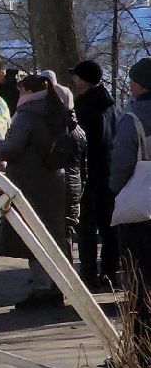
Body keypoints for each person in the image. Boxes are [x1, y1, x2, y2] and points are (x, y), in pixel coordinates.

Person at [4, 73, 83, 311]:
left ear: (27, 91)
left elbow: (11, 147)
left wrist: (0, 145)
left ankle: (42, 289)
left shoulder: (27, 114)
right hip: (56, 181)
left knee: (34, 236)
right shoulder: (61, 111)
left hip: (30, 181)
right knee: (55, 235)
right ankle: (60, 287)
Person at [70, 60, 118, 288]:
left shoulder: (86, 107)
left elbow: (83, 142)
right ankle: (109, 270)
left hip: (89, 174)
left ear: (85, 79)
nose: (74, 81)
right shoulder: (109, 105)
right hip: (108, 172)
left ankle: (88, 274)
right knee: (109, 227)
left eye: (77, 77)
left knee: (87, 227)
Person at [111, 60, 151, 324]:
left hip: (142, 206)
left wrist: (115, 189)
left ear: (136, 85)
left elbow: (121, 164)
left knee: (140, 276)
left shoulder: (134, 117)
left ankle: (142, 343)